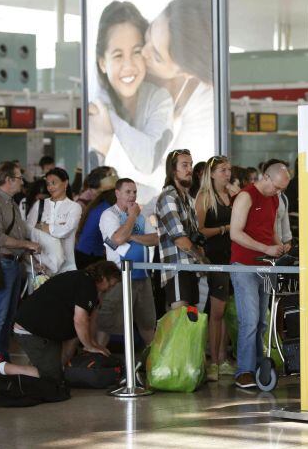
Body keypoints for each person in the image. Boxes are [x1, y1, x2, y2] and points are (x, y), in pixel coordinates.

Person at [112, 0, 214, 208]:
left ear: (185, 72)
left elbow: (167, 183)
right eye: (149, 33)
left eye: (157, 55)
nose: (144, 51)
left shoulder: (203, 106)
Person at [0, 261, 119, 388]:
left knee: (69, 348)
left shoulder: (87, 285)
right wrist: (90, 346)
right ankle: (0, 367)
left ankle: (49, 368)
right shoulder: (86, 284)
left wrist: (94, 345)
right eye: (111, 285)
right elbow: (80, 321)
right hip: (30, 331)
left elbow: (89, 321)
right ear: (103, 276)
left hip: (43, 329)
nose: (110, 289)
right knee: (51, 378)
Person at [89, 1, 173, 206]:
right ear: (102, 62)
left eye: (136, 52)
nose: (129, 66)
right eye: (118, 55)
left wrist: (110, 122)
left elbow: (148, 161)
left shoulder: (159, 99)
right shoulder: (93, 105)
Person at [229, 160, 290, 389]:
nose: (278, 192)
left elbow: (270, 228)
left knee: (262, 321)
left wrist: (279, 246)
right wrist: (267, 248)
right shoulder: (246, 196)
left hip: (266, 265)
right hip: (244, 265)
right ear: (265, 177)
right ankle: (243, 370)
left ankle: (256, 365)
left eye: (282, 189)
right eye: (276, 187)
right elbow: (235, 233)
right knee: (250, 320)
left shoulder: (274, 198)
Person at [0, 161, 40, 360]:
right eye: (19, 178)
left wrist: (25, 252)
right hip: (2, 263)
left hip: (14, 263)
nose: (22, 182)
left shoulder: (10, 202)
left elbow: (18, 230)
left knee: (8, 315)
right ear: (9, 180)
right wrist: (25, 244)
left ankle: (2, 358)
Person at [97, 178, 158, 346]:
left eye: (135, 192)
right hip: (118, 277)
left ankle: (153, 365)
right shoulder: (109, 215)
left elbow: (155, 239)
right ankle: (96, 359)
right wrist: (131, 217)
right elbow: (117, 239)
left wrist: (131, 236)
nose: (132, 196)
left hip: (142, 275)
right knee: (108, 323)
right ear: (117, 193)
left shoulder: (140, 215)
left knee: (147, 323)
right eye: (128, 192)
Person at [195, 155, 238, 381]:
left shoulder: (232, 195)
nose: (227, 174)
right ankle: (213, 360)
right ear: (211, 173)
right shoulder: (204, 197)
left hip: (233, 257)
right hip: (214, 257)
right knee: (217, 310)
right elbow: (199, 230)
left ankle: (222, 357)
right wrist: (224, 228)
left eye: (228, 169)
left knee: (227, 309)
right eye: (222, 170)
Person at [155, 149, 205, 312]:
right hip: (177, 267)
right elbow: (179, 238)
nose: (189, 169)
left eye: (190, 164)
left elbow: (191, 235)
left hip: (190, 266)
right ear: (173, 170)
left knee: (190, 321)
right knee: (180, 321)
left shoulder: (188, 199)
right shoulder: (168, 197)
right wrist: (202, 259)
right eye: (184, 165)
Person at [26, 168, 82, 273]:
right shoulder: (39, 205)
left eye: (53, 183)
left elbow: (65, 231)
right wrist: (57, 227)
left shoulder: (74, 207)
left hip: (66, 266)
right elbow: (28, 231)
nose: (50, 187)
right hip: (40, 264)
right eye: (48, 184)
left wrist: (42, 226)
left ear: (65, 183)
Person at [75, 187, 117, 270]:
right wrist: (119, 248)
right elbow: (107, 238)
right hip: (91, 253)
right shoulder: (107, 210)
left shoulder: (99, 205)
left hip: (83, 250)